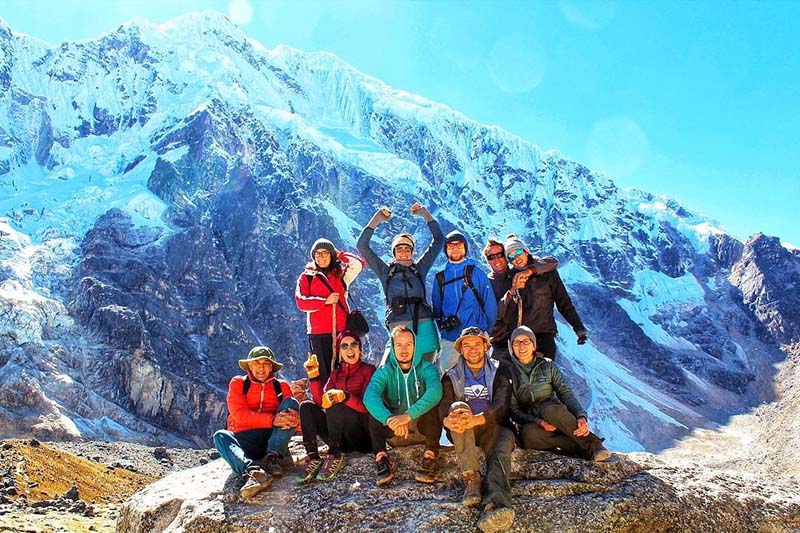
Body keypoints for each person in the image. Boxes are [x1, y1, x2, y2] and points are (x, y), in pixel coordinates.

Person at [439, 327, 515, 532]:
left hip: (496, 426)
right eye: (467, 345)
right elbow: (444, 403)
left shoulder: (500, 370)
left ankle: (495, 504)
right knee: (457, 409)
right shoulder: (451, 375)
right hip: (464, 429)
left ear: (485, 346)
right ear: (461, 350)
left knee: (500, 451)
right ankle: (471, 477)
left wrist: (479, 419)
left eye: (476, 344)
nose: (472, 349)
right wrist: (447, 420)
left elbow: (502, 403)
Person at [357, 203, 444, 364]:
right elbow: (362, 245)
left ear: (412, 251)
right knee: (386, 372)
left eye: (407, 248)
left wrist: (425, 214)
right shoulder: (386, 272)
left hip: (425, 329)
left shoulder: (420, 268)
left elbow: (439, 240)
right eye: (399, 249)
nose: (403, 252)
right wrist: (377, 219)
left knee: (426, 374)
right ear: (394, 252)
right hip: (398, 330)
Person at [507, 326, 611, 461]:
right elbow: (513, 410)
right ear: (512, 347)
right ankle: (577, 447)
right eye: (517, 342)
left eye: (526, 341)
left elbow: (565, 392)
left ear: (533, 345)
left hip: (555, 414)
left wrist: (581, 415)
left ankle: (594, 445)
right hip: (533, 420)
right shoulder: (508, 372)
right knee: (528, 436)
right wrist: (538, 421)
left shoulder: (547, 365)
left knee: (548, 409)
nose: (521, 346)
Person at [213, 346, 300, 499]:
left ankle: (272, 458)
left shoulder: (282, 387)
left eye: (266, 363)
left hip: (272, 439)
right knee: (221, 436)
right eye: (256, 363)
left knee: (291, 404)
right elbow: (239, 415)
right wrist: (272, 420)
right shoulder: (238, 383)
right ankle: (253, 472)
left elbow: (292, 420)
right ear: (250, 366)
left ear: (271, 367)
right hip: (246, 439)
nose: (261, 367)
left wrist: (296, 420)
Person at [363, 326, 443, 486]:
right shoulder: (384, 371)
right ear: (392, 347)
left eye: (409, 344)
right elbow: (369, 397)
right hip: (394, 431)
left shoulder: (428, 369)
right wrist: (390, 419)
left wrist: (408, 415)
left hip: (421, 428)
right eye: (399, 345)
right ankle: (382, 458)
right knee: (374, 409)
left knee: (434, 404)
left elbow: (435, 392)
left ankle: (430, 456)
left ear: (416, 346)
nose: (404, 349)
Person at [297, 330, 376, 483]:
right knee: (306, 406)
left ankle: (334, 455)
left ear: (360, 348)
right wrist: (314, 376)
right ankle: (313, 457)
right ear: (339, 351)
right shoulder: (335, 374)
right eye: (344, 346)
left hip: (362, 437)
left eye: (354, 344)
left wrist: (345, 397)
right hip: (339, 436)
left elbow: (368, 407)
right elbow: (322, 403)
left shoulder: (369, 370)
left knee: (337, 404)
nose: (350, 349)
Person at [491, 234, 584, 362]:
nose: (516, 258)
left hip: (543, 335)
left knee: (544, 377)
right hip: (520, 339)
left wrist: (578, 327)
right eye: (511, 257)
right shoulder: (511, 278)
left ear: (526, 251)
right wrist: (513, 289)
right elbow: (503, 313)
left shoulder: (547, 272)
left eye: (518, 252)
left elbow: (563, 302)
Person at [295, 238, 365, 384]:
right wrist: (324, 302)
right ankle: (327, 404)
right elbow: (301, 302)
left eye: (325, 253)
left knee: (346, 370)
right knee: (324, 374)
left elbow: (358, 264)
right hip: (318, 334)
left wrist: (340, 254)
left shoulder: (340, 276)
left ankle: (347, 401)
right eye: (317, 254)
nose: (321, 257)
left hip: (341, 331)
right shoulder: (307, 277)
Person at [432, 231, 497, 374]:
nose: (455, 248)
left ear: (465, 248)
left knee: (481, 377)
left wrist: (486, 330)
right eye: (451, 245)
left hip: (477, 335)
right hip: (450, 338)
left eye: (459, 245)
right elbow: (436, 309)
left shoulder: (476, 273)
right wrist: (444, 328)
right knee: (450, 377)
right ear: (446, 249)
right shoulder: (440, 278)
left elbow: (489, 303)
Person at [482, 238, 559, 306]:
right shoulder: (486, 284)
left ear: (506, 258)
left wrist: (530, 271)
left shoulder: (518, 273)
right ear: (487, 261)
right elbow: (493, 314)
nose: (496, 260)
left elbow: (552, 262)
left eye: (500, 255)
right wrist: (511, 292)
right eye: (491, 257)